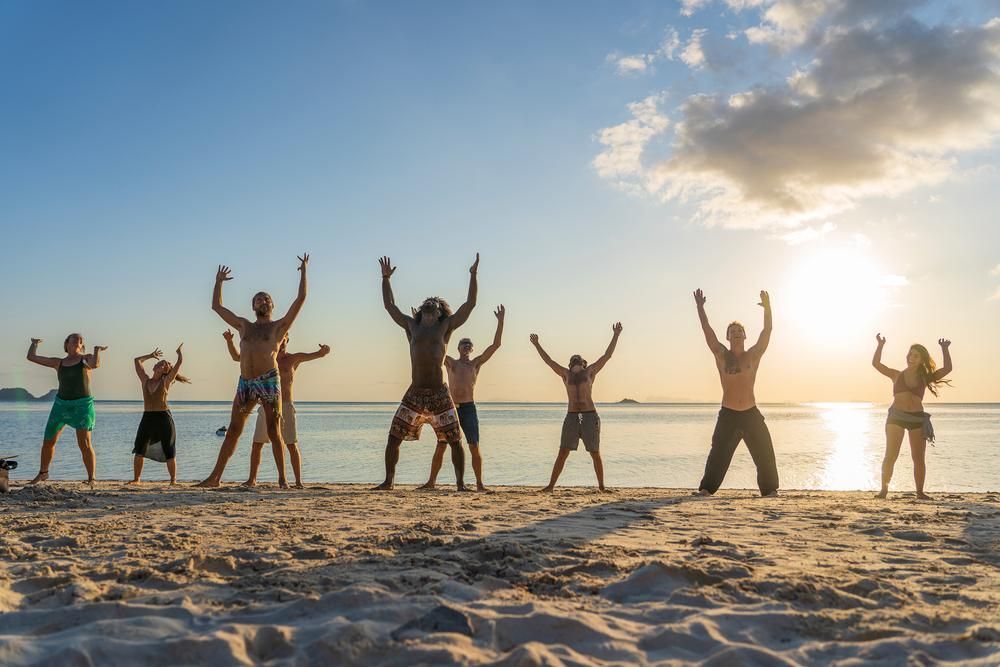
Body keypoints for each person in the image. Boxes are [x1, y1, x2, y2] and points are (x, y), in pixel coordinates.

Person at [197, 254, 309, 488]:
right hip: (245, 383)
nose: (262, 301)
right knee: (233, 430)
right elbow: (216, 307)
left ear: (272, 305)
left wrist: (303, 271)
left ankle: (282, 480)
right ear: (253, 306)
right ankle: (214, 478)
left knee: (274, 431)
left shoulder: (278, 327)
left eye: (266, 299)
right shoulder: (244, 325)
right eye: (258, 299)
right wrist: (218, 282)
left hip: (268, 382)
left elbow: (301, 299)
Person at [373, 254, 478, 491]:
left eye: (435, 306)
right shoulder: (412, 326)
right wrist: (386, 279)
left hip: (439, 392)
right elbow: (390, 306)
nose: (431, 306)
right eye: (427, 305)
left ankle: (461, 484)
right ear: (422, 310)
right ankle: (389, 481)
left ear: (439, 313)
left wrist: (473, 275)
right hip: (416, 391)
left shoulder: (445, 327)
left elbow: (470, 305)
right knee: (393, 437)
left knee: (455, 439)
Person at [693, 289, 778, 497]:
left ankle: (770, 491)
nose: (736, 333)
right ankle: (706, 489)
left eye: (739, 331)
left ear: (745, 335)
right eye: (732, 331)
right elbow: (707, 331)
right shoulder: (721, 354)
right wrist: (700, 307)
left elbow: (767, 331)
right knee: (718, 455)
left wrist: (767, 308)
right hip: (728, 414)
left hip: (751, 413)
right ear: (728, 337)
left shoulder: (753, 355)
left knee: (765, 452)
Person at [225, 331, 330, 488]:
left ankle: (298, 481)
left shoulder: (293, 359)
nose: (281, 343)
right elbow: (237, 357)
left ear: (287, 340)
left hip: (286, 406)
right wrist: (229, 341)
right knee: (257, 443)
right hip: (267, 404)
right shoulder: (266, 359)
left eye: (284, 339)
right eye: (279, 340)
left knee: (291, 444)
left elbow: (318, 354)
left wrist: (325, 350)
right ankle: (252, 479)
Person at [421, 304, 505, 492]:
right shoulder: (451, 363)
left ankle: (480, 484)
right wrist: (424, 325)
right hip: (450, 408)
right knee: (442, 444)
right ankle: (431, 482)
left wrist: (500, 322)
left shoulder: (475, 364)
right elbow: (432, 347)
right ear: (458, 348)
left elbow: (495, 345)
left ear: (472, 349)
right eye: (463, 343)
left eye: (469, 344)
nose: (466, 345)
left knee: (474, 445)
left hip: (468, 408)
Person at [530, 323, 622, 492]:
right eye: (573, 360)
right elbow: (549, 361)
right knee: (563, 452)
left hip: (589, 415)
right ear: (570, 364)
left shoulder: (590, 372)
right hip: (572, 416)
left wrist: (616, 334)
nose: (575, 361)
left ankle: (602, 487)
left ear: (583, 363)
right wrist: (537, 345)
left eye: (578, 360)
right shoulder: (566, 374)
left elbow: (607, 355)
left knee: (595, 452)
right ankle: (550, 486)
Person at [872, 334, 952, 500]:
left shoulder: (925, 377)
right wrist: (880, 345)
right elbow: (876, 364)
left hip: (917, 419)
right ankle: (883, 490)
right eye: (910, 355)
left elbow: (947, 369)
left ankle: (920, 492)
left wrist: (945, 349)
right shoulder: (896, 375)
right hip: (896, 417)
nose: (911, 358)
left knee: (918, 458)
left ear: (922, 360)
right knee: (891, 455)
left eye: (916, 356)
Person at [26, 334, 107, 485]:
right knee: (48, 441)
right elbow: (31, 357)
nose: (77, 341)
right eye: (73, 339)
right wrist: (34, 343)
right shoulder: (59, 362)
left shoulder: (85, 359)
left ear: (81, 345)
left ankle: (92, 478)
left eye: (80, 340)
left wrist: (97, 350)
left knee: (85, 444)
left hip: (82, 406)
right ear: (67, 343)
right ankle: (43, 473)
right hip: (61, 405)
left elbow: (95, 364)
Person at [130, 344, 189, 485]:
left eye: (164, 364)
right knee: (139, 447)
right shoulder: (145, 380)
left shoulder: (166, 381)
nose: (161, 363)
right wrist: (150, 356)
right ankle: (137, 479)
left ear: (166, 371)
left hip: (164, 418)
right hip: (148, 417)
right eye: (160, 362)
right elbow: (137, 361)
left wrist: (179, 353)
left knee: (169, 449)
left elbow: (179, 363)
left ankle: (173, 480)